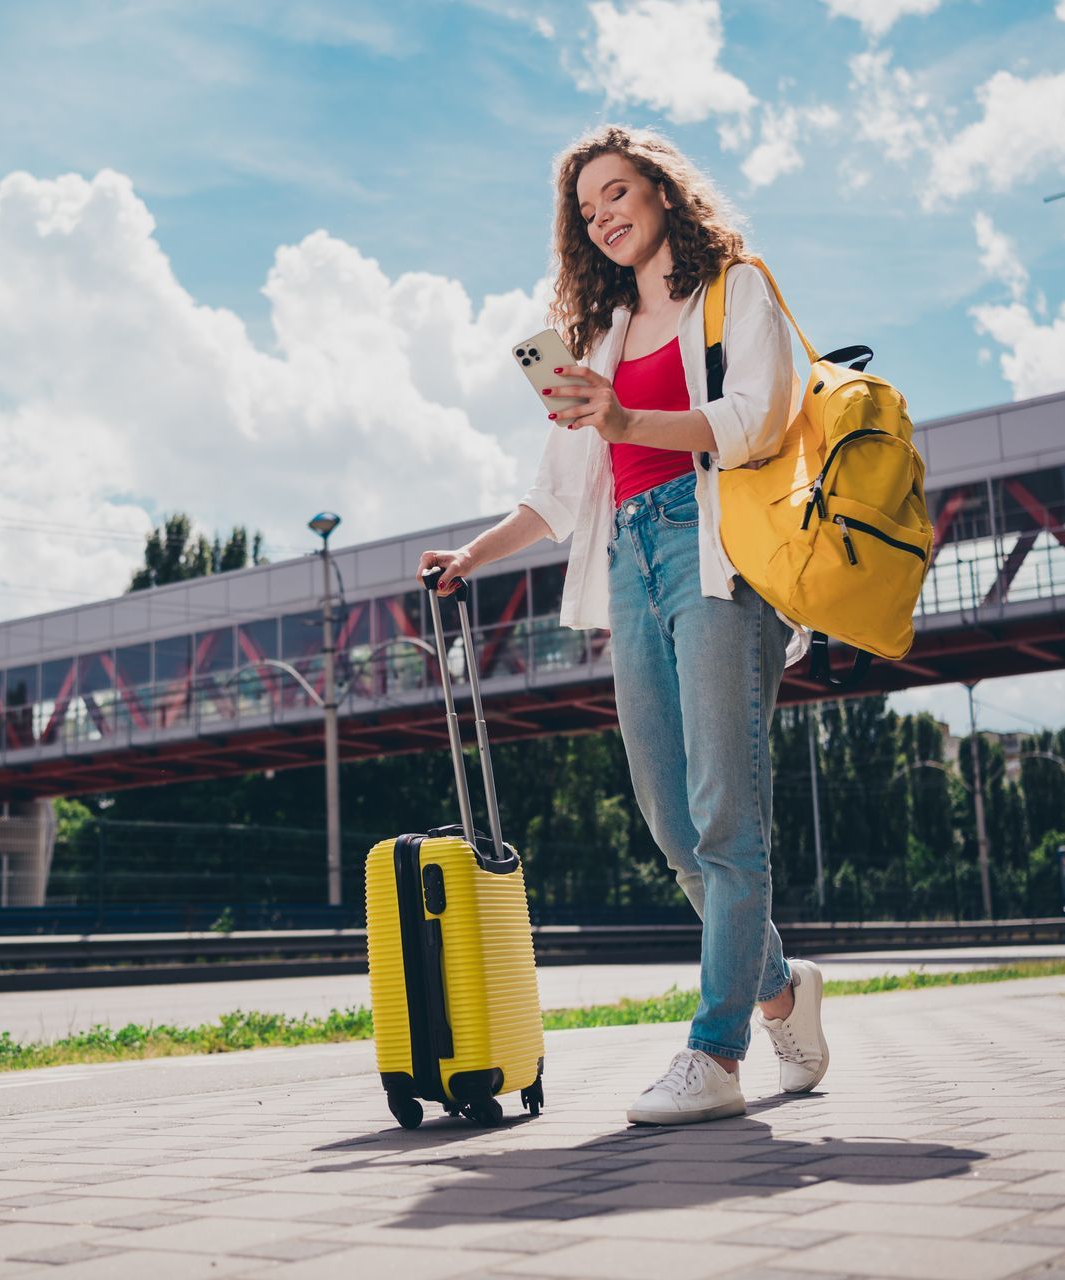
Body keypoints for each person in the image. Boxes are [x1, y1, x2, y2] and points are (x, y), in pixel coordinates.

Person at [418, 124, 830, 1126]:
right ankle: (780, 989)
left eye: (618, 192)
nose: (604, 214)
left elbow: (759, 420)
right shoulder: (597, 339)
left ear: (662, 192)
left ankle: (718, 1046)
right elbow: (561, 493)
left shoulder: (736, 288)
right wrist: (470, 554)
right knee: (667, 816)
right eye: (587, 207)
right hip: (634, 560)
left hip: (717, 554)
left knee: (726, 811)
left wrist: (628, 422)